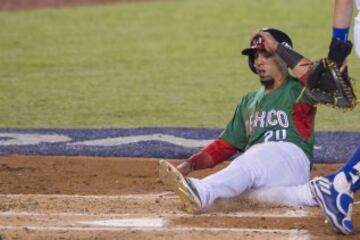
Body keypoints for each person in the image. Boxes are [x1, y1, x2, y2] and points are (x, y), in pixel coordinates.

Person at [159, 28, 359, 235]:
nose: (258, 61)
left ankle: (203, 190)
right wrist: (189, 164)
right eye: (255, 56)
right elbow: (226, 144)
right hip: (269, 172)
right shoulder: (248, 101)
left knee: (252, 162)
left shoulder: (299, 89)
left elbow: (321, 83)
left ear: (282, 56)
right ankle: (315, 191)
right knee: (249, 197)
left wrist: (279, 48)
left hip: (290, 158)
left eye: (266, 54)